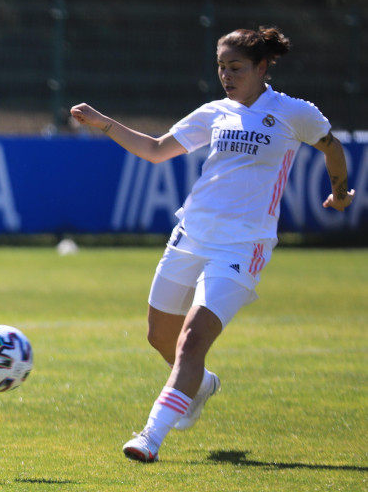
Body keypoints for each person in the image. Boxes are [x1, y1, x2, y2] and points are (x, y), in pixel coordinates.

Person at [70, 26, 354, 463]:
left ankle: (150, 437)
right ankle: (201, 385)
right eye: (221, 67)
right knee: (160, 338)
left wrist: (339, 193)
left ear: (262, 68)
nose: (226, 75)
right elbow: (156, 149)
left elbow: (332, 149)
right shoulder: (214, 112)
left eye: (236, 67)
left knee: (191, 342)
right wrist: (104, 123)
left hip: (243, 247)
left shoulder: (294, 112)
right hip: (191, 235)